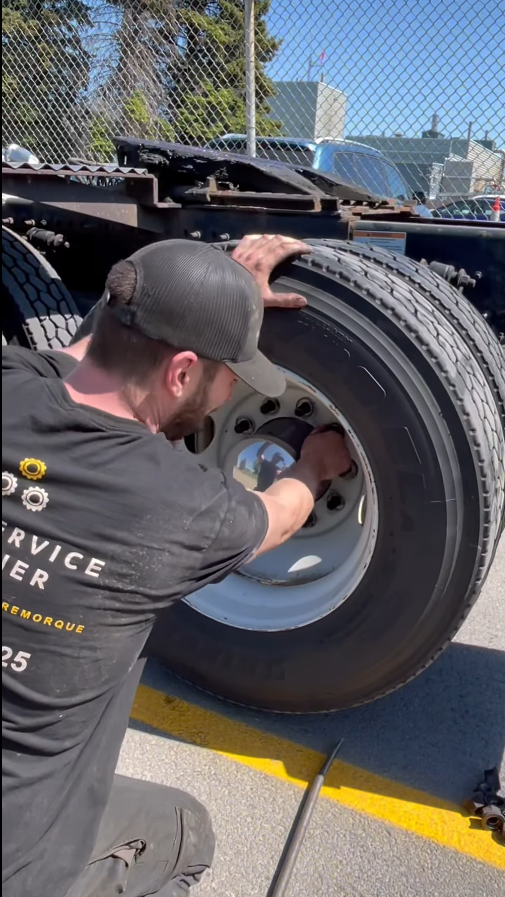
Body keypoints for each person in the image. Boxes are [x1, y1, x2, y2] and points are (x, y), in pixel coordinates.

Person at [2, 235, 353, 897]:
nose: (227, 396)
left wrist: (211, 296)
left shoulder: (11, 383)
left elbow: (74, 356)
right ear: (181, 371)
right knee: (184, 828)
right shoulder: (182, 508)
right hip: (18, 864)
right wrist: (314, 466)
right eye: (230, 376)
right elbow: (276, 515)